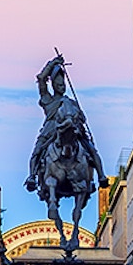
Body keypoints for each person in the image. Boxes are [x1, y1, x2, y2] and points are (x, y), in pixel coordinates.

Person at [25, 53, 105, 194]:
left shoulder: (71, 102)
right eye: (59, 85)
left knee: (91, 149)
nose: (62, 87)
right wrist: (53, 63)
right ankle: (32, 177)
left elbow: (82, 118)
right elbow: (41, 78)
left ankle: (100, 176)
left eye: (63, 85)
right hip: (50, 130)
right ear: (54, 86)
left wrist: (79, 120)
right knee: (36, 152)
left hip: (72, 130)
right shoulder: (48, 99)